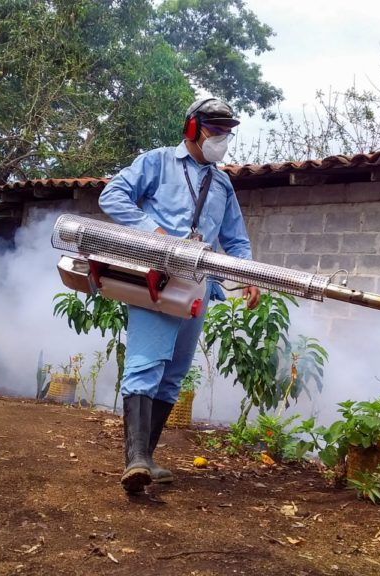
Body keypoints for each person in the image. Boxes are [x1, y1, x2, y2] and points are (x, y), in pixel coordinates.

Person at [98, 96, 261, 494]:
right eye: (215, 130)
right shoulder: (156, 162)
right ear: (192, 127)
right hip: (158, 278)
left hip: (199, 283)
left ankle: (146, 459)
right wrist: (151, 231)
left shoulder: (222, 184)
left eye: (227, 132)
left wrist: (249, 274)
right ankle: (133, 458)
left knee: (172, 375)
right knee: (145, 363)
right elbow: (112, 197)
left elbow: (236, 239)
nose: (222, 138)